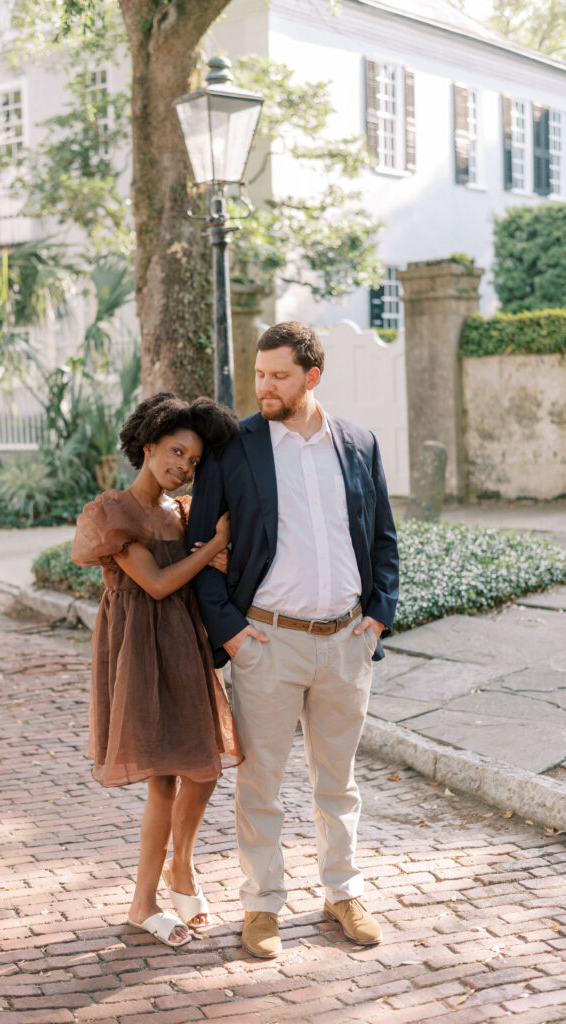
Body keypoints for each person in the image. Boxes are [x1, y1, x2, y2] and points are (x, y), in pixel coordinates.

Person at [188, 322, 399, 958]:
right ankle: (262, 906)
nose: (265, 387)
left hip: (345, 642)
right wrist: (233, 636)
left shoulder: (358, 444)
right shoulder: (234, 448)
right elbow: (201, 547)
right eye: (259, 374)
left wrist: (378, 616)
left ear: (312, 376)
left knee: (338, 781)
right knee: (261, 784)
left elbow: (383, 538)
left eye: (279, 376)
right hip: (266, 644)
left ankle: (342, 892)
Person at [71, 392, 242, 949]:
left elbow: (203, 573)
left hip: (183, 644)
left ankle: (181, 869)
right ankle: (143, 902)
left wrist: (213, 546)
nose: (182, 467)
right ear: (147, 447)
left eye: (192, 460)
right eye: (174, 452)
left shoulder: (184, 512)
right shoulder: (113, 512)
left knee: (206, 768)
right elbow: (160, 583)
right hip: (140, 647)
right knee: (166, 778)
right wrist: (215, 543)